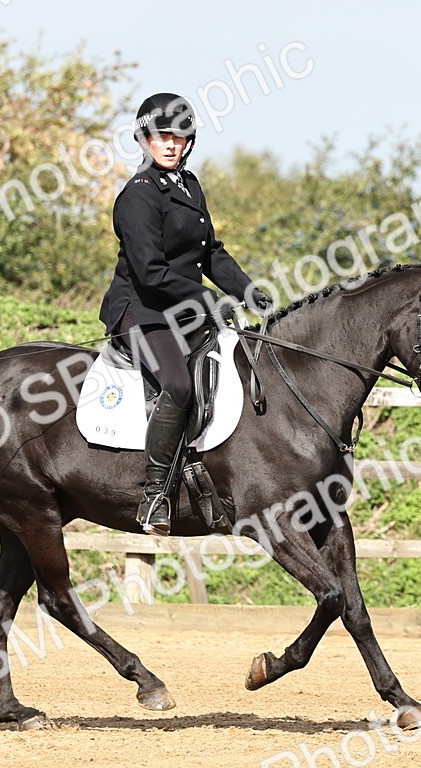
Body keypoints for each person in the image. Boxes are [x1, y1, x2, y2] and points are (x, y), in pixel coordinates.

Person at [98, 92, 271, 535]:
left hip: (183, 309)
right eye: (162, 137)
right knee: (177, 384)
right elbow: (150, 272)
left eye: (179, 137)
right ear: (145, 141)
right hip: (142, 311)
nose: (171, 144)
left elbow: (211, 253)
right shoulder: (138, 196)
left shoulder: (189, 185)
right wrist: (209, 300)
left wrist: (248, 292)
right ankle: (155, 495)